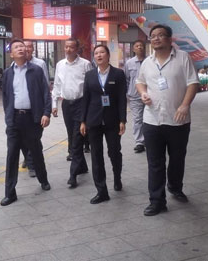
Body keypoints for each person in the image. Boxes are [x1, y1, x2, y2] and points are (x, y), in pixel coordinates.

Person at [136, 24, 199, 216]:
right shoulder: (147, 62)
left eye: (160, 35)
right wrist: (143, 93)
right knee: (155, 162)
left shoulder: (183, 58)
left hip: (178, 120)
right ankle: (157, 201)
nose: (156, 38)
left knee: (177, 159)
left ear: (170, 39)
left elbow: (193, 83)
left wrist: (185, 105)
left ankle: (175, 186)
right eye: (153, 36)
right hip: (152, 120)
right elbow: (140, 82)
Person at [1, 39, 52, 206]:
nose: (20, 49)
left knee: (35, 151)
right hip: (15, 119)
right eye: (16, 47)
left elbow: (46, 93)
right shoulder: (8, 73)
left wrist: (46, 113)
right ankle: (10, 192)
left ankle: (43, 179)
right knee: (12, 154)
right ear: (11, 54)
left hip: (32, 118)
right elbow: (6, 96)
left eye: (22, 46)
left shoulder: (36, 70)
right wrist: (8, 116)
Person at [80, 45, 127, 204]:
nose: (99, 55)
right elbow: (85, 98)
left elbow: (122, 98)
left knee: (114, 151)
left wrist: (122, 120)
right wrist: (83, 121)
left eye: (102, 52)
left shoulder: (118, 74)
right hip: (93, 120)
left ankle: (117, 177)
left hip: (112, 120)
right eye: (96, 53)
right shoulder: (90, 75)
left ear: (108, 55)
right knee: (96, 155)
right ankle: (101, 191)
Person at [51, 37, 93, 188]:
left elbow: (90, 85)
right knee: (72, 136)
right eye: (66, 47)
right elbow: (57, 85)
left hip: (81, 103)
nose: (68, 49)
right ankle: (82, 166)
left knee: (77, 138)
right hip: (67, 105)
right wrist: (54, 104)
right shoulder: (60, 64)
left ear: (77, 49)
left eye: (71, 47)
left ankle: (73, 175)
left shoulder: (85, 64)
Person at [20, 40, 52, 176]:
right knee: (22, 138)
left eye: (29, 47)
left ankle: (32, 164)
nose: (26, 49)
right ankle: (28, 157)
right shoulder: (14, 66)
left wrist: (47, 111)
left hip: (36, 107)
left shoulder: (40, 64)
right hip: (21, 110)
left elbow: (45, 87)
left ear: (33, 49)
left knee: (34, 137)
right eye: (24, 46)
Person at [124, 40, 147, 153]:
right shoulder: (129, 63)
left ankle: (149, 139)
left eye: (141, 45)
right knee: (137, 119)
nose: (139, 47)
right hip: (135, 96)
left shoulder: (150, 61)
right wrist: (127, 93)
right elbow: (126, 79)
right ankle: (139, 142)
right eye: (137, 46)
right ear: (133, 49)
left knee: (149, 118)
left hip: (150, 95)